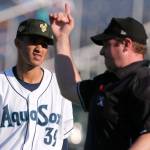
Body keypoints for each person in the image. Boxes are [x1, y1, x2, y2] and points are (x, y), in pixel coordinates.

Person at [50, 4, 150, 150]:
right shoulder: (108, 80)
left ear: (126, 44)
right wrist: (61, 37)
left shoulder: (143, 81)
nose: (102, 52)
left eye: (106, 45)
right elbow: (69, 88)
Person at [0, 18, 73, 150]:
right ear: (18, 43)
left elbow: (63, 140)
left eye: (44, 44)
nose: (39, 49)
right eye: (34, 42)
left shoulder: (59, 86)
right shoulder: (2, 84)